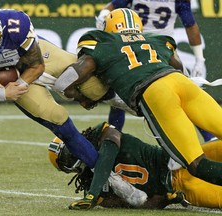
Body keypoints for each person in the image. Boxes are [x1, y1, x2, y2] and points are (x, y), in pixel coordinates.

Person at [54, 8, 222, 187]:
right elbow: (180, 69)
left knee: (196, 164)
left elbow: (63, 82)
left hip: (155, 92)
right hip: (183, 83)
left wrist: (81, 97)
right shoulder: (156, 39)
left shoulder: (104, 42)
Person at [0, 7, 104, 169]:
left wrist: (20, 84)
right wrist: (2, 93)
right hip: (12, 78)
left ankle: (124, 105)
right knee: (58, 118)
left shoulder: (16, 26)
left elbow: (37, 66)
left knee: (93, 85)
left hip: (36, 61)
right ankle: (106, 179)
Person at [96, 0, 214, 141]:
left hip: (136, 47)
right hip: (157, 48)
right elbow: (190, 25)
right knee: (184, 93)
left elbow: (109, 9)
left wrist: (102, 18)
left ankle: (111, 138)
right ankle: (209, 138)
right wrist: (199, 58)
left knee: (122, 91)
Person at [49, 122, 222, 210]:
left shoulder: (100, 135)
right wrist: (166, 200)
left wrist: (94, 189)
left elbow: (110, 149)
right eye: (66, 160)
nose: (74, 156)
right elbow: (139, 203)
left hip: (177, 160)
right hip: (180, 187)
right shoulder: (98, 191)